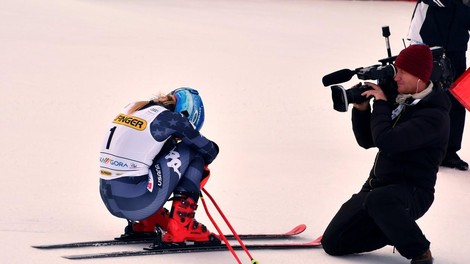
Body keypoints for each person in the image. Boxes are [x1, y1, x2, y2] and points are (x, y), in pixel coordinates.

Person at [322, 44, 451, 264]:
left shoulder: (434, 116)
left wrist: (381, 104)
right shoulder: (401, 98)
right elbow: (368, 141)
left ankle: (419, 251)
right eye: (396, 70)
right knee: (333, 242)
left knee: (380, 201)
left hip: (412, 192)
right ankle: (392, 227)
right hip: (376, 186)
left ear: (420, 76)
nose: (396, 78)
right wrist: (362, 110)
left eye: (402, 72)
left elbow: (388, 142)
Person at [99, 87, 219, 243]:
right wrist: (193, 174)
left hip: (110, 201)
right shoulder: (174, 120)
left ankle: (148, 221)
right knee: (194, 151)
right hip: (137, 203)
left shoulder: (133, 107)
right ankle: (182, 226)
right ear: (188, 113)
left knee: (152, 153)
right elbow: (210, 150)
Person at [407, 0, 470, 170]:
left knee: (455, 99)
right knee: (427, 96)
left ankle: (449, 151)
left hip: (456, 44)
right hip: (427, 40)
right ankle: (422, 149)